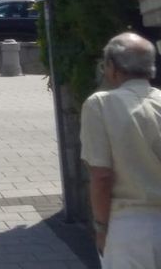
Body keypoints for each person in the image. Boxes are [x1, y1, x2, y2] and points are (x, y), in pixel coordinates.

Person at [79, 32, 161, 267]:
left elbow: (101, 176)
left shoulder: (101, 104)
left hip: (131, 226)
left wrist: (101, 228)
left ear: (112, 66)